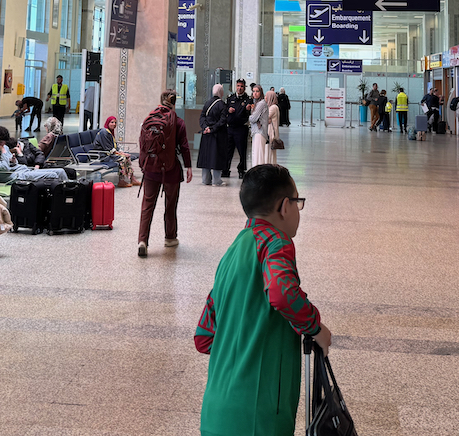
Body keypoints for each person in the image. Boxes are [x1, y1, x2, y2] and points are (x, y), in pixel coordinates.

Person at [195, 165, 332, 436]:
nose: (298, 210)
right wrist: (316, 328)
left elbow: (204, 338)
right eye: (297, 202)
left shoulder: (231, 254)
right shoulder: (275, 242)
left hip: (215, 412)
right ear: (284, 206)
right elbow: (281, 292)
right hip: (259, 416)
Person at [137, 90, 193, 258]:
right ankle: (170, 238)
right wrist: (189, 166)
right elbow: (184, 146)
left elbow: (142, 143)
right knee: (170, 205)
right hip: (170, 170)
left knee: (147, 206)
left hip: (150, 169)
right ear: (174, 103)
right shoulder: (178, 122)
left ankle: (142, 241)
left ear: (160, 101)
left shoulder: (149, 119)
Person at [198, 84, 228, 186]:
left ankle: (206, 179)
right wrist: (212, 129)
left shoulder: (207, 103)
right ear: (221, 92)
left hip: (206, 134)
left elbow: (202, 117)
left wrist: (205, 127)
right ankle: (217, 180)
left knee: (206, 156)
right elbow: (222, 120)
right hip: (217, 135)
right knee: (216, 156)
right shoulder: (222, 105)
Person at [224, 80, 250, 180]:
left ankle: (241, 170)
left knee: (242, 150)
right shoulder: (230, 98)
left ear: (244, 88)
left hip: (241, 128)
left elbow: (249, 113)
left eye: (241, 86)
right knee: (228, 150)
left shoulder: (247, 99)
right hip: (230, 128)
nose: (239, 88)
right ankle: (225, 169)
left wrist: (248, 109)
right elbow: (225, 110)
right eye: (238, 86)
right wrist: (228, 110)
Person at [249, 85, 271, 168]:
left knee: (258, 155)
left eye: (257, 91)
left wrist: (249, 117)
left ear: (261, 92)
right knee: (256, 154)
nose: (255, 93)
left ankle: (258, 172)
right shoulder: (257, 103)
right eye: (253, 91)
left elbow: (253, 118)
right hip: (257, 131)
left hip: (259, 132)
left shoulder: (261, 104)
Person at [265, 88, 281, 166]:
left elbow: (265, 117)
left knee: (269, 150)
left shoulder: (273, 107)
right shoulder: (273, 107)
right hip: (271, 131)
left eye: (266, 96)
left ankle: (269, 165)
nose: (265, 98)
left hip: (271, 132)